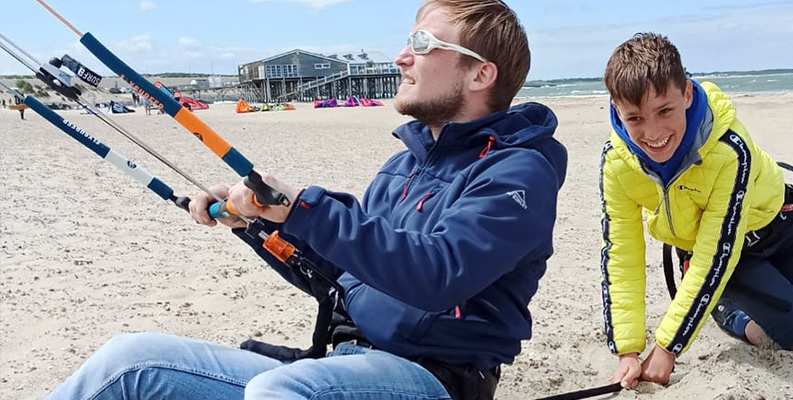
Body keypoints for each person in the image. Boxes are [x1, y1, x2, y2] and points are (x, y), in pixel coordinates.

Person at [45, 1, 567, 399]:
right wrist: (259, 220)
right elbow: (345, 269)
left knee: (278, 393)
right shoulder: (405, 164)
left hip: (432, 378)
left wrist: (305, 208)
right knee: (129, 361)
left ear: (481, 73)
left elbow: (439, 274)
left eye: (425, 42)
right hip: (340, 364)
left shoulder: (518, 173)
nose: (402, 57)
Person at [598, 33, 793, 389]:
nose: (653, 132)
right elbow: (623, 256)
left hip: (778, 226)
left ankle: (726, 300)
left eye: (664, 110)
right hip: (729, 257)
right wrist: (630, 352)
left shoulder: (728, 150)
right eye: (634, 118)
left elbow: (716, 253)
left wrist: (666, 347)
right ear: (617, 111)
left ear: (688, 94)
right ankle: (730, 311)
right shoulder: (617, 164)